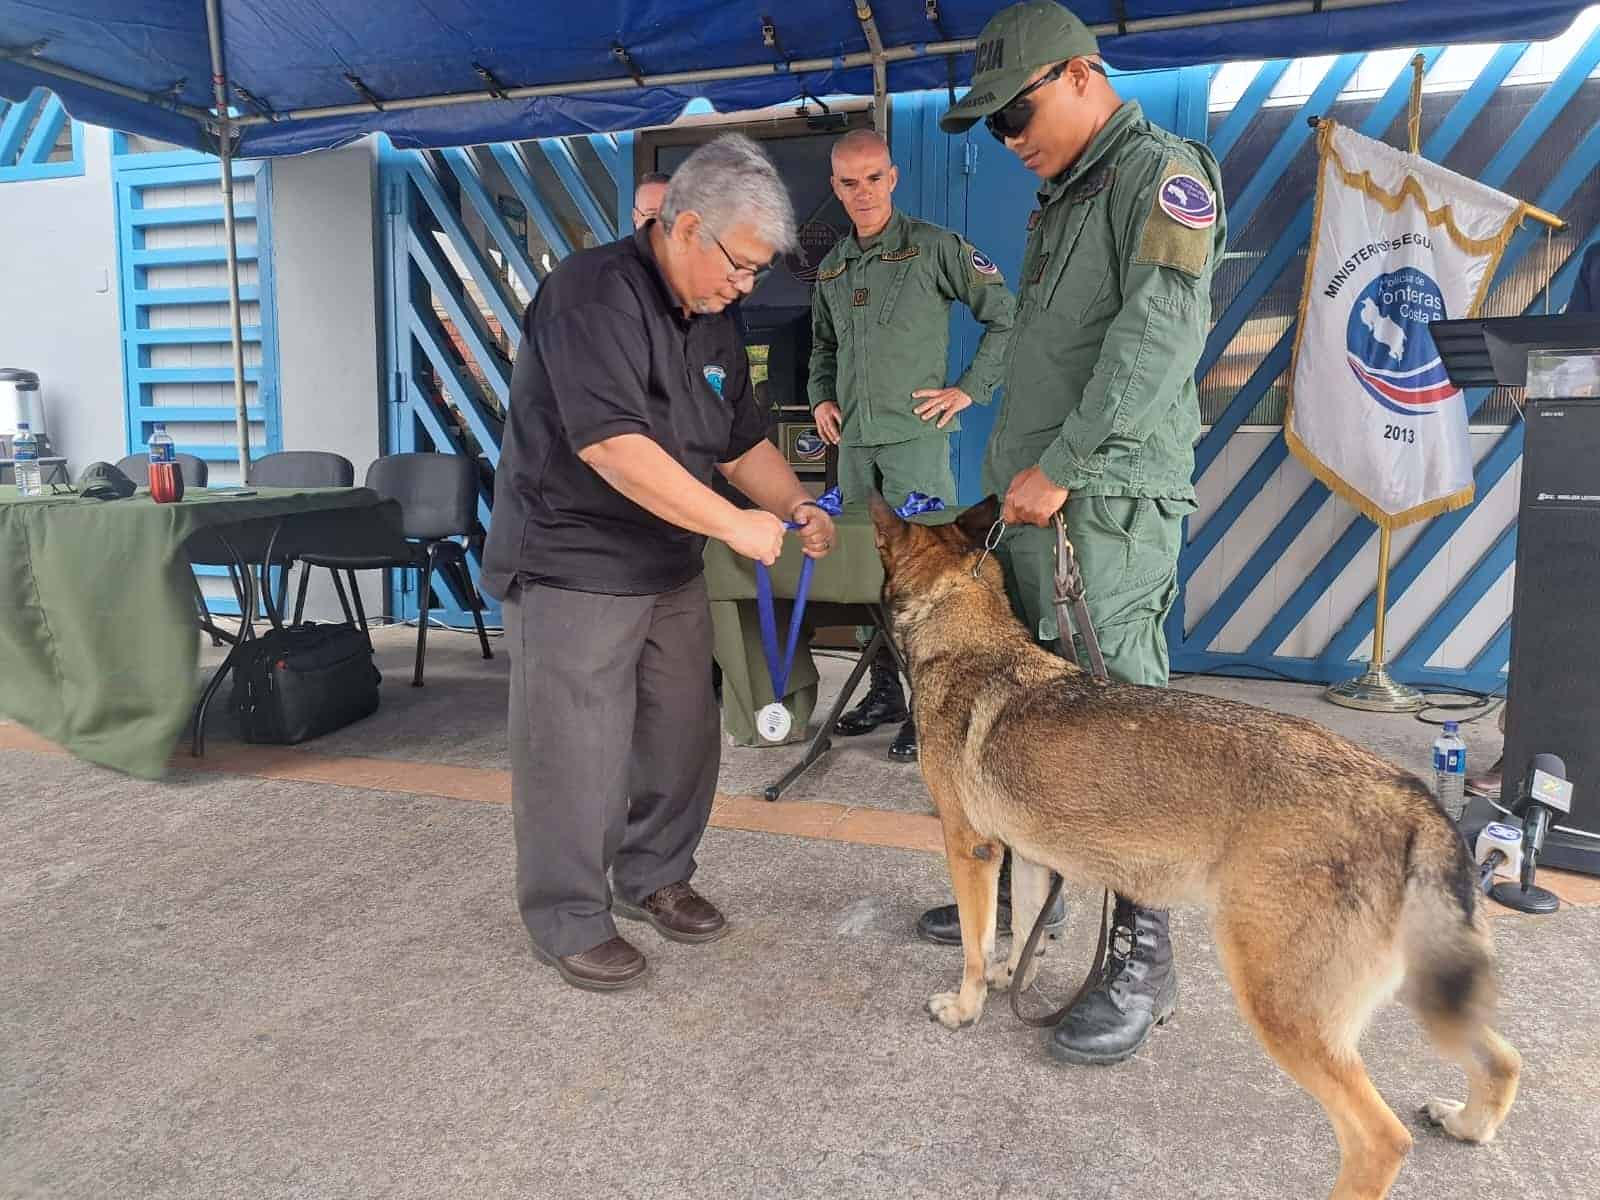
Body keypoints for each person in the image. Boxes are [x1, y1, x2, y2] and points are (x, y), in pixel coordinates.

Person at [932, 1, 1227, 1067]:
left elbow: (1158, 336)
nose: (1011, 141)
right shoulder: (1067, 195)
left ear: (1079, 74)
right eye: (995, 127)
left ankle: (1146, 962)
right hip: (1040, 503)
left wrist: (1059, 469)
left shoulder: (1159, 170)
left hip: (1098, 503)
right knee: (1039, 727)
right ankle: (1034, 903)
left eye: (1016, 113)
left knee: (1125, 735)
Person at [482, 134, 835, 992]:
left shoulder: (716, 312)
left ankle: (654, 876)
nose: (744, 286)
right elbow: (612, 447)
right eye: (739, 266)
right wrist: (733, 526)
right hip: (571, 559)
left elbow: (740, 437)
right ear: (683, 227)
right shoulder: (589, 295)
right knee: (576, 752)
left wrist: (789, 504)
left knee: (681, 735)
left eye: (756, 273)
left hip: (666, 561)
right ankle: (568, 915)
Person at [808, 129, 1016, 762]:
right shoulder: (834, 267)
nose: (863, 192)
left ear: (893, 178)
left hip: (915, 449)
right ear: (835, 188)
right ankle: (886, 694)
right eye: (849, 182)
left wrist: (968, 391)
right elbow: (822, 347)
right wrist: (821, 396)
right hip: (855, 453)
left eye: (874, 178)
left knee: (929, 577)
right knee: (868, 578)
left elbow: (1005, 313)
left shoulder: (932, 248)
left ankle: (930, 708)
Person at [1467, 238, 1600, 799]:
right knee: (1556, 605)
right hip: (1583, 451)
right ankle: (1526, 753)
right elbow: (1572, 346)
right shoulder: (1597, 257)